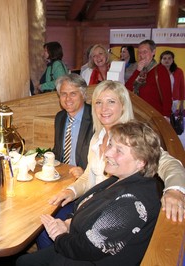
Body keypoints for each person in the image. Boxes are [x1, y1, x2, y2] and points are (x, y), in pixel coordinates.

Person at [17, 120, 162, 265]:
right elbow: (88, 210)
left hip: (87, 259)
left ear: (141, 161)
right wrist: (68, 223)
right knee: (23, 261)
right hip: (77, 244)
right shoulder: (118, 179)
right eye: (110, 145)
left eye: (119, 151)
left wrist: (59, 236)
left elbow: (88, 248)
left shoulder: (132, 201)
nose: (108, 153)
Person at [50, 80, 185, 223]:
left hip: (111, 214)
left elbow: (169, 163)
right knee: (49, 213)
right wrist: (71, 191)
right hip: (90, 204)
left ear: (123, 106)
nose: (104, 108)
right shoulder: (98, 136)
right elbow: (88, 177)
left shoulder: (134, 137)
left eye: (111, 102)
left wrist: (175, 191)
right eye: (99, 102)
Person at [36, 73, 94, 249]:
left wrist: (84, 172)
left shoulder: (96, 118)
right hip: (61, 181)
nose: (67, 98)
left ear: (83, 94)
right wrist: (44, 159)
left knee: (45, 229)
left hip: (85, 189)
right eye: (63, 94)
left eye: (73, 93)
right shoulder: (60, 117)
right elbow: (58, 153)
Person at [126, 39, 172, 117]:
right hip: (138, 115)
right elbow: (127, 89)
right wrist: (138, 70)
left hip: (155, 117)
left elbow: (167, 96)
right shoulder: (139, 71)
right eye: (139, 52)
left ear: (153, 52)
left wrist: (166, 116)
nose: (141, 55)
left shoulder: (160, 70)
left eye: (145, 52)